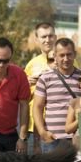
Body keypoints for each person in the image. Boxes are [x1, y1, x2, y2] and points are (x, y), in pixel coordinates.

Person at [33, 37, 81, 153]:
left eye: (69, 54)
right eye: (62, 55)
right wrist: (42, 132)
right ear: (55, 56)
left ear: (74, 54)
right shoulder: (45, 78)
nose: (66, 59)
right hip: (53, 139)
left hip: (77, 138)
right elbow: (37, 107)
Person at [24, 22, 57, 154]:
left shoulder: (66, 59)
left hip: (59, 124)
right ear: (37, 39)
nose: (47, 40)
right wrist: (28, 85)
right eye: (43, 37)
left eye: (50, 36)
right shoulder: (31, 65)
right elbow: (22, 98)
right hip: (35, 126)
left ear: (55, 37)